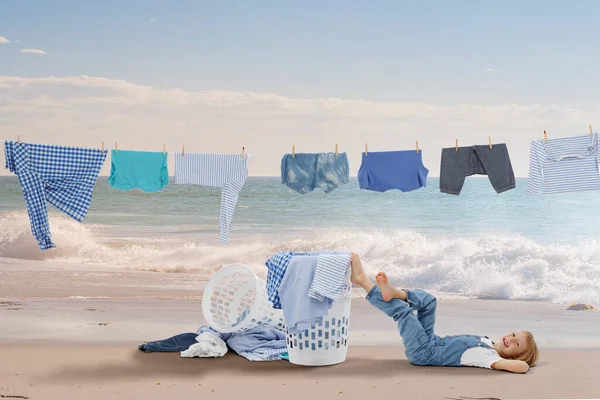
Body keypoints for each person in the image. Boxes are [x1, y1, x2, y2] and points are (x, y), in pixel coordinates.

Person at [349, 253, 539, 373]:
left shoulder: (492, 358)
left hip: (424, 353)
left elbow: (522, 368)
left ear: (514, 356)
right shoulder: (488, 341)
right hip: (432, 341)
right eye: (514, 335)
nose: (511, 339)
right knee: (430, 302)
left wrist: (524, 362)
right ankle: (395, 293)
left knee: (404, 313)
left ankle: (362, 282)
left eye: (517, 344)